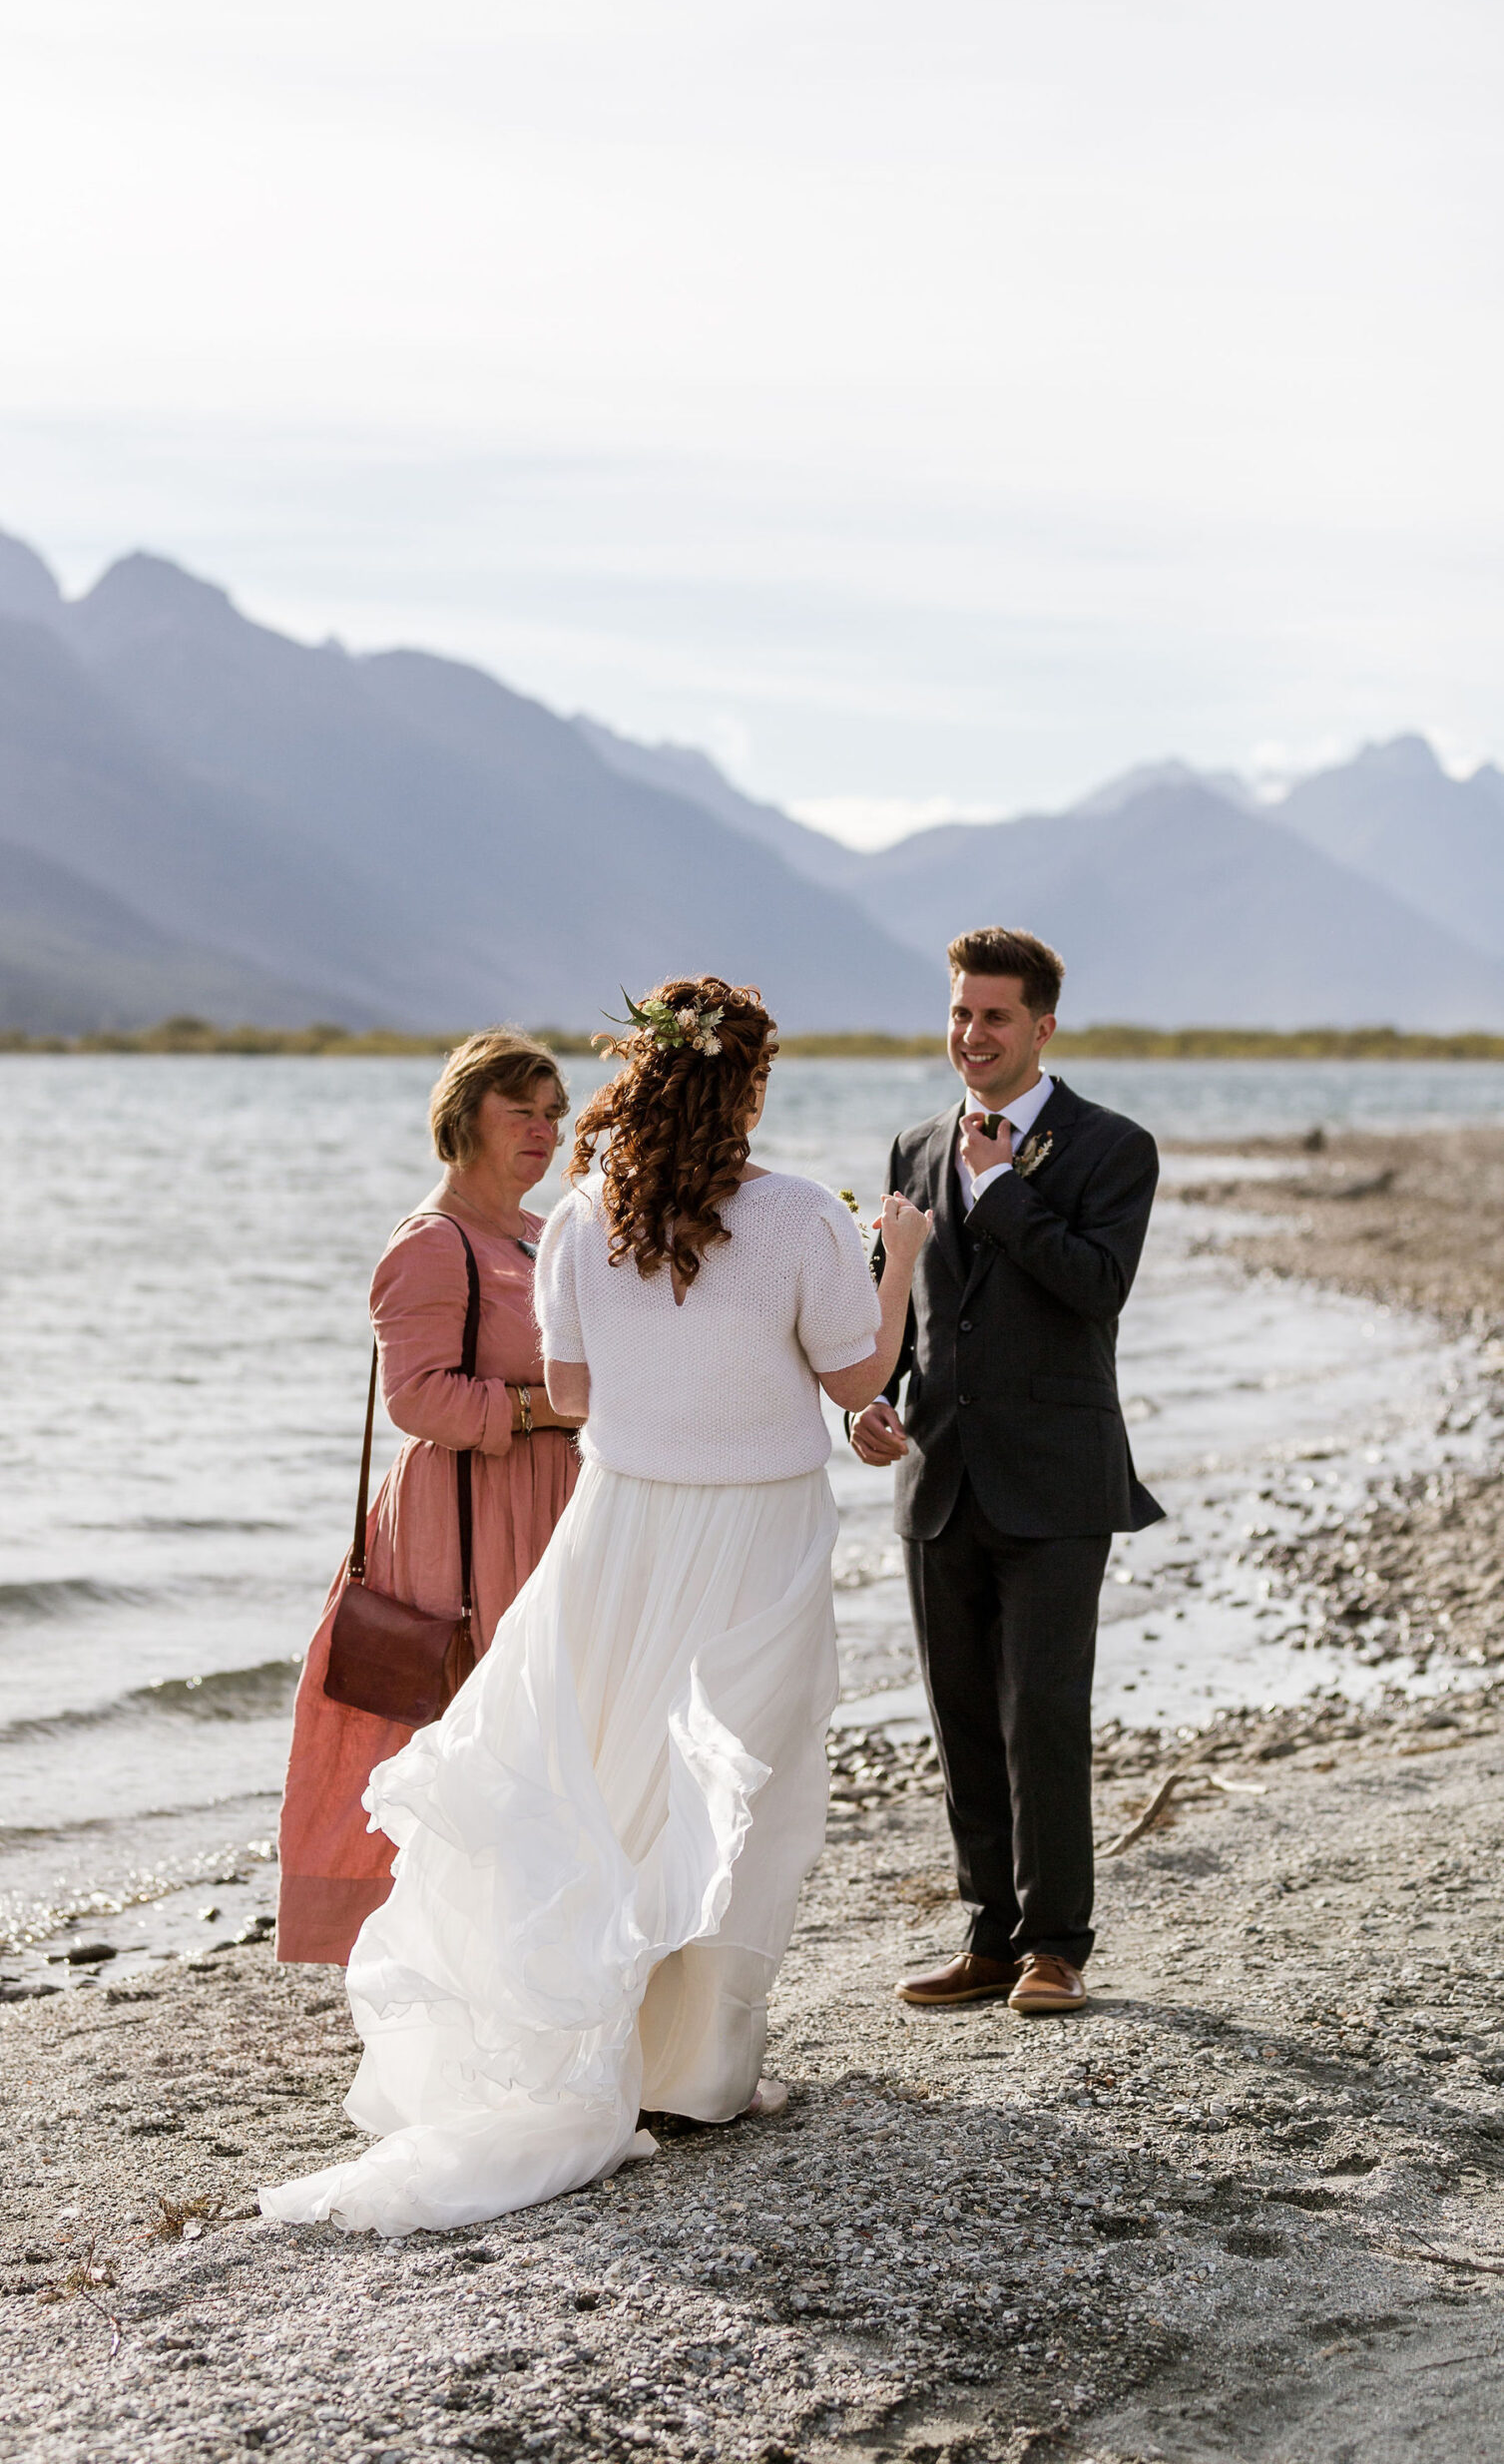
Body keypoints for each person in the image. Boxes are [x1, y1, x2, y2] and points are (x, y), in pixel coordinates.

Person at [259, 974, 930, 2235]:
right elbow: (860, 1372)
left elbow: (568, 1385)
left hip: (616, 1528)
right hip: (756, 1534)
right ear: (749, 1090)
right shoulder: (797, 1219)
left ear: (641, 1081)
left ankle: (607, 2047)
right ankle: (700, 2076)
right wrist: (898, 1261)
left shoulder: (575, 1218)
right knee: (744, 1783)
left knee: (612, 1777)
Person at [849, 926, 1161, 2015]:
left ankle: (1057, 1946)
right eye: (958, 1012)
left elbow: (1097, 1287)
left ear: (1041, 1026)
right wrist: (872, 1401)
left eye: (993, 1016)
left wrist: (1002, 1197)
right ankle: (989, 1936)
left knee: (1044, 1711)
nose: (970, 1034)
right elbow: (900, 1311)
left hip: (1058, 1475)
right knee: (962, 1713)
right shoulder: (912, 1145)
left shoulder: (1114, 1147)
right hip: (938, 1473)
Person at [274, 1028, 583, 1966]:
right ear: (464, 1121)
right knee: (471, 1720)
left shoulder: (541, 1229)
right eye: (518, 1112)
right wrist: (548, 1408)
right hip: (468, 1513)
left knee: (557, 1720)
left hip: (551, 1502)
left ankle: (545, 1932)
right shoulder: (430, 1241)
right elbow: (417, 1400)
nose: (542, 1131)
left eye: (551, 1113)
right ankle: (453, 1948)